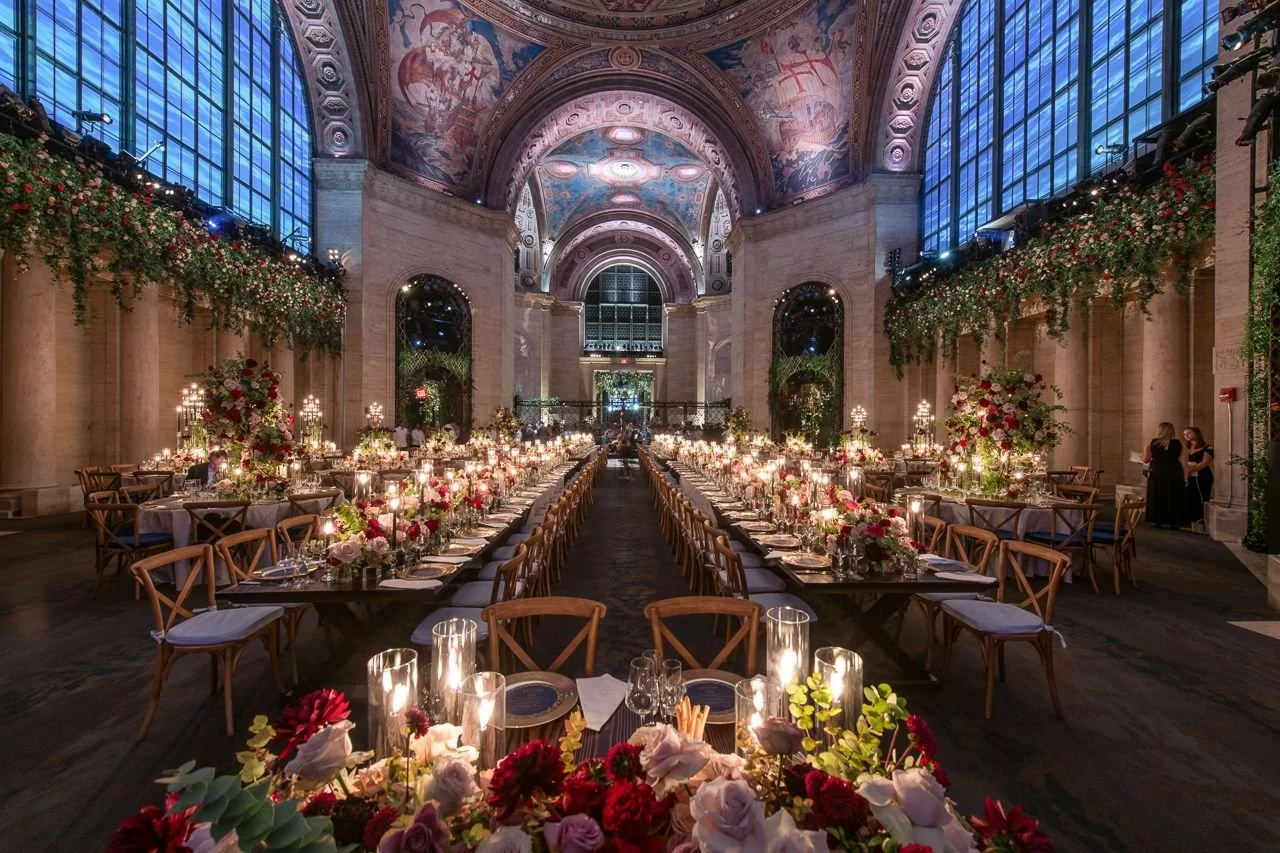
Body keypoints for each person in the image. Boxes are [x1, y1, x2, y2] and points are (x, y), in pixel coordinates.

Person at [1142, 422, 1185, 528]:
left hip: (1158, 470)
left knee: (1157, 493)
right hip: (1174, 470)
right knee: (1174, 494)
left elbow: (1146, 459)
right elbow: (1184, 460)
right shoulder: (1178, 443)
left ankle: (1158, 520)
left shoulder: (1152, 443)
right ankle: (1174, 522)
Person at [1183, 426, 1215, 528]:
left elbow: (1205, 463)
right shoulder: (1186, 448)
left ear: (1196, 433)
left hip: (1202, 476)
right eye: (1185, 434)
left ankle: (1203, 521)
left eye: (1189, 433)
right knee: (1189, 496)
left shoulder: (1207, 447)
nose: (1186, 436)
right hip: (1189, 476)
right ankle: (1190, 521)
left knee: (1202, 497)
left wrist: (1190, 469)